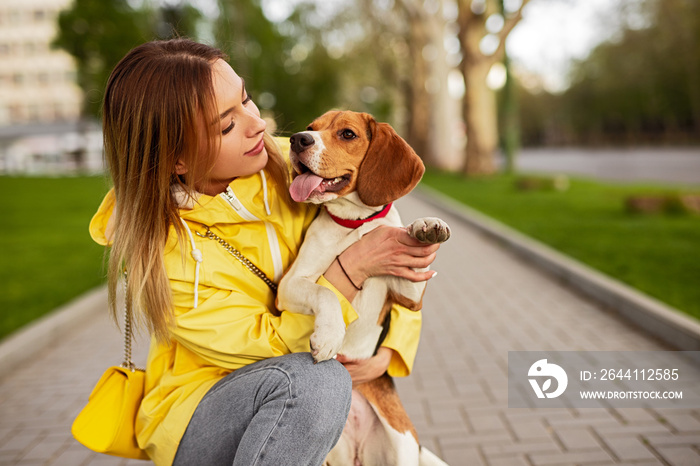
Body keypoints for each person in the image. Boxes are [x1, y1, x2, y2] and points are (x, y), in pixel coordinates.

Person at [89, 38, 440, 466]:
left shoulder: (285, 165)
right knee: (317, 386)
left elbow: (384, 239)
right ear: (178, 159)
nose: (256, 125)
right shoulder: (162, 254)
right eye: (226, 126)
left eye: (246, 100)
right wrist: (353, 269)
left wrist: (389, 350)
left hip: (309, 386)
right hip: (200, 413)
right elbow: (269, 346)